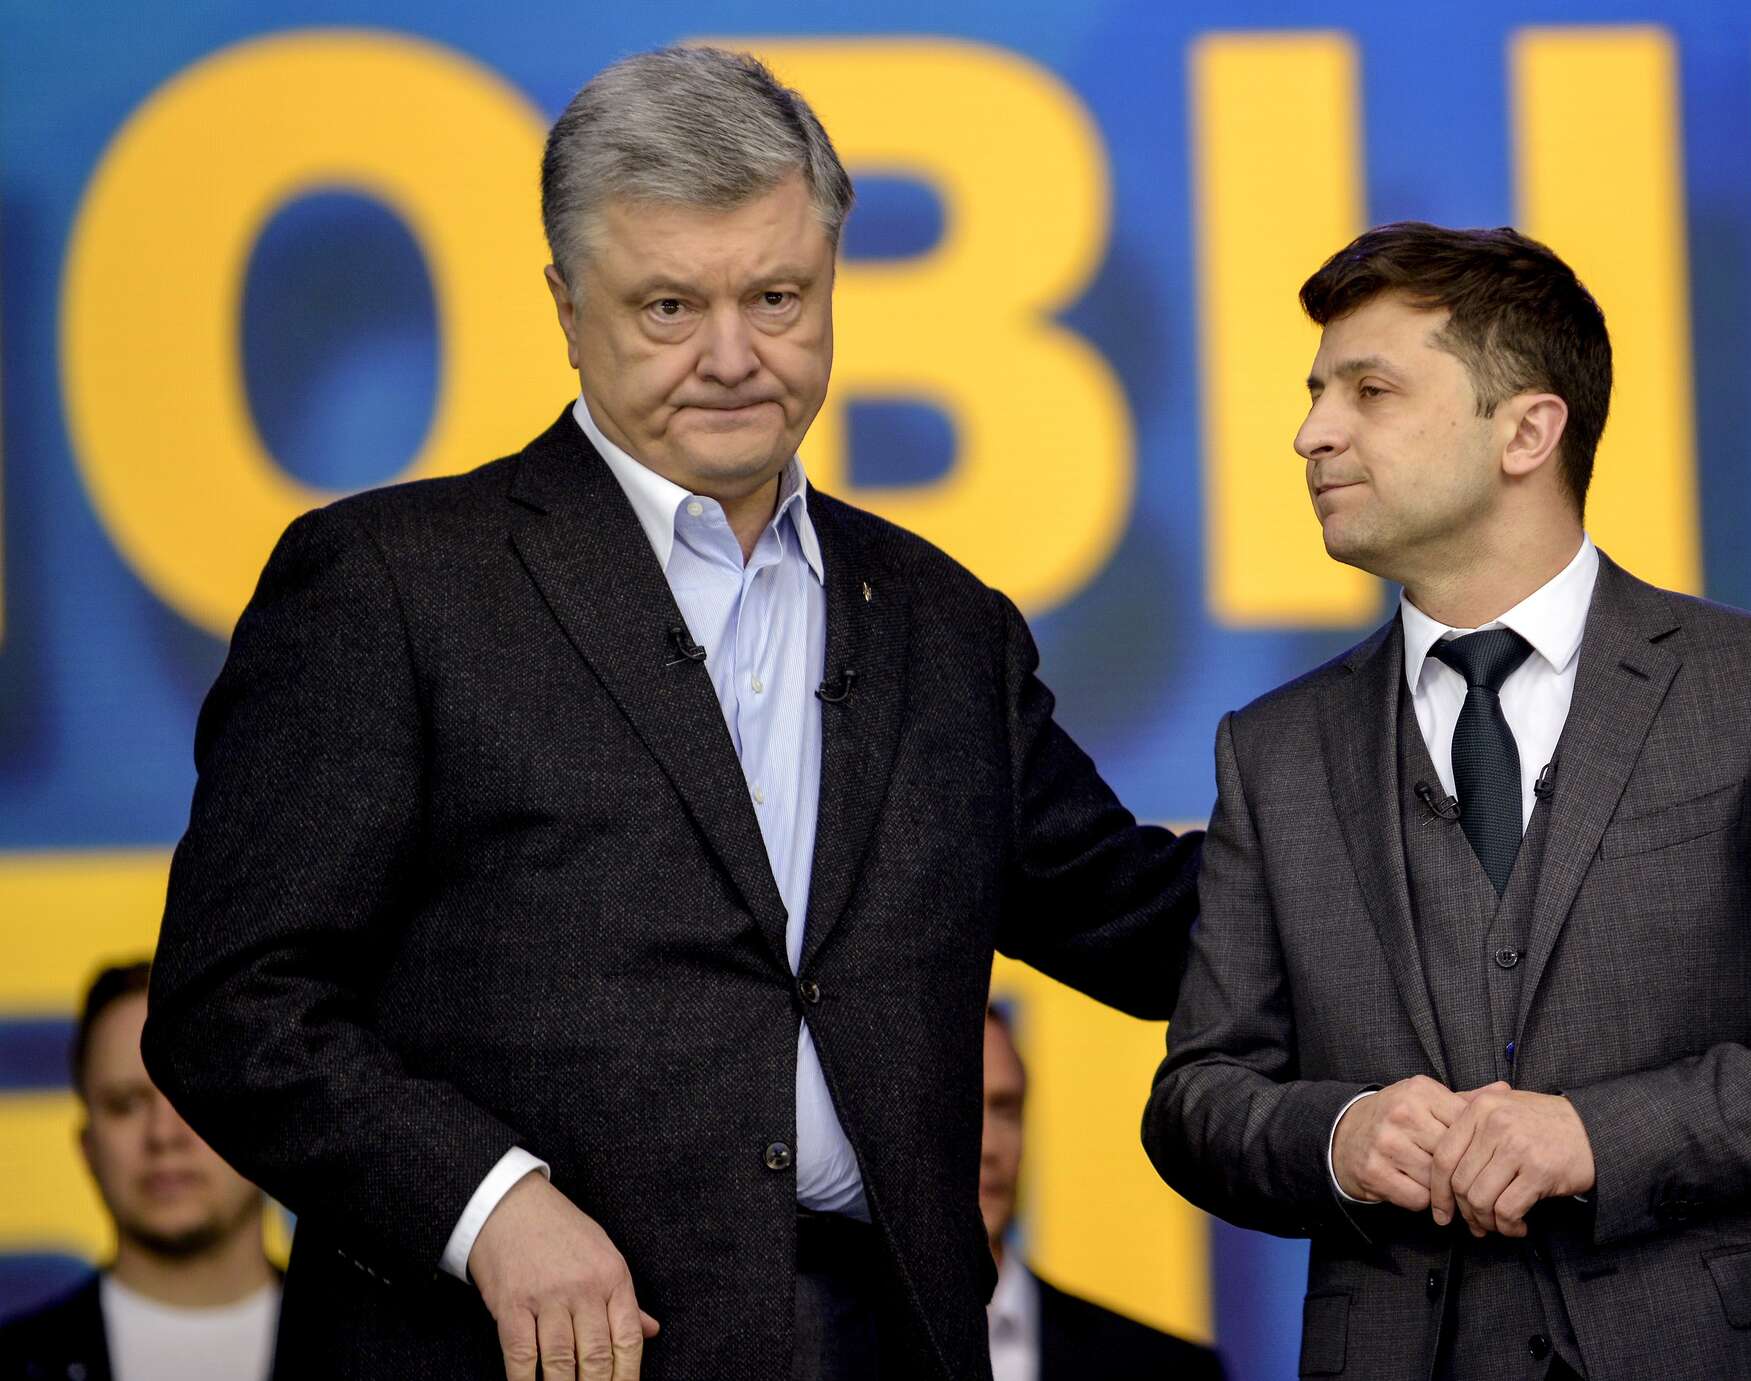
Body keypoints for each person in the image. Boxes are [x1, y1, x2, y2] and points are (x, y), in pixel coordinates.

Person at [141, 45, 1199, 1381]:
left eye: (777, 297)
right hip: (519, 1351)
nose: (732, 357)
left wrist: (1426, 774)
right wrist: (489, 1207)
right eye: (667, 308)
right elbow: (232, 1002)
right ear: (565, 306)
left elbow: (1155, 927)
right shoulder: (391, 585)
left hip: (878, 1342)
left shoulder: (942, 623)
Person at [1141, 222, 1751, 1379]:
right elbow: (1196, 1097)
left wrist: (1598, 1136)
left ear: (1525, 430)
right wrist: (1339, 1135)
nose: (1312, 433)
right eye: (1315, 395)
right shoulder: (1272, 750)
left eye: (1369, 391)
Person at [0, 961, 280, 1381]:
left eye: (194, 1093)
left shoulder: (378, 1353)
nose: (163, 1135)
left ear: (268, 1126)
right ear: (87, 1148)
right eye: (125, 1104)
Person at [978, 1006, 1223, 1381]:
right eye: (961, 1113)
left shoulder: (1167, 1371)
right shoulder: (874, 1347)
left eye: (1005, 1110)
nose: (989, 1147)